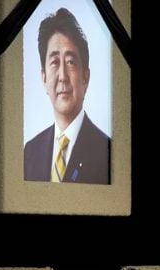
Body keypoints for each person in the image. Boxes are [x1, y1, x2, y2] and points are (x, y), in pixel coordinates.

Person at [24, 7, 110, 184]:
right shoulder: (30, 152)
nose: (62, 76)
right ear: (44, 77)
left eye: (71, 62)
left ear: (86, 76)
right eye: (54, 62)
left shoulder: (109, 152)